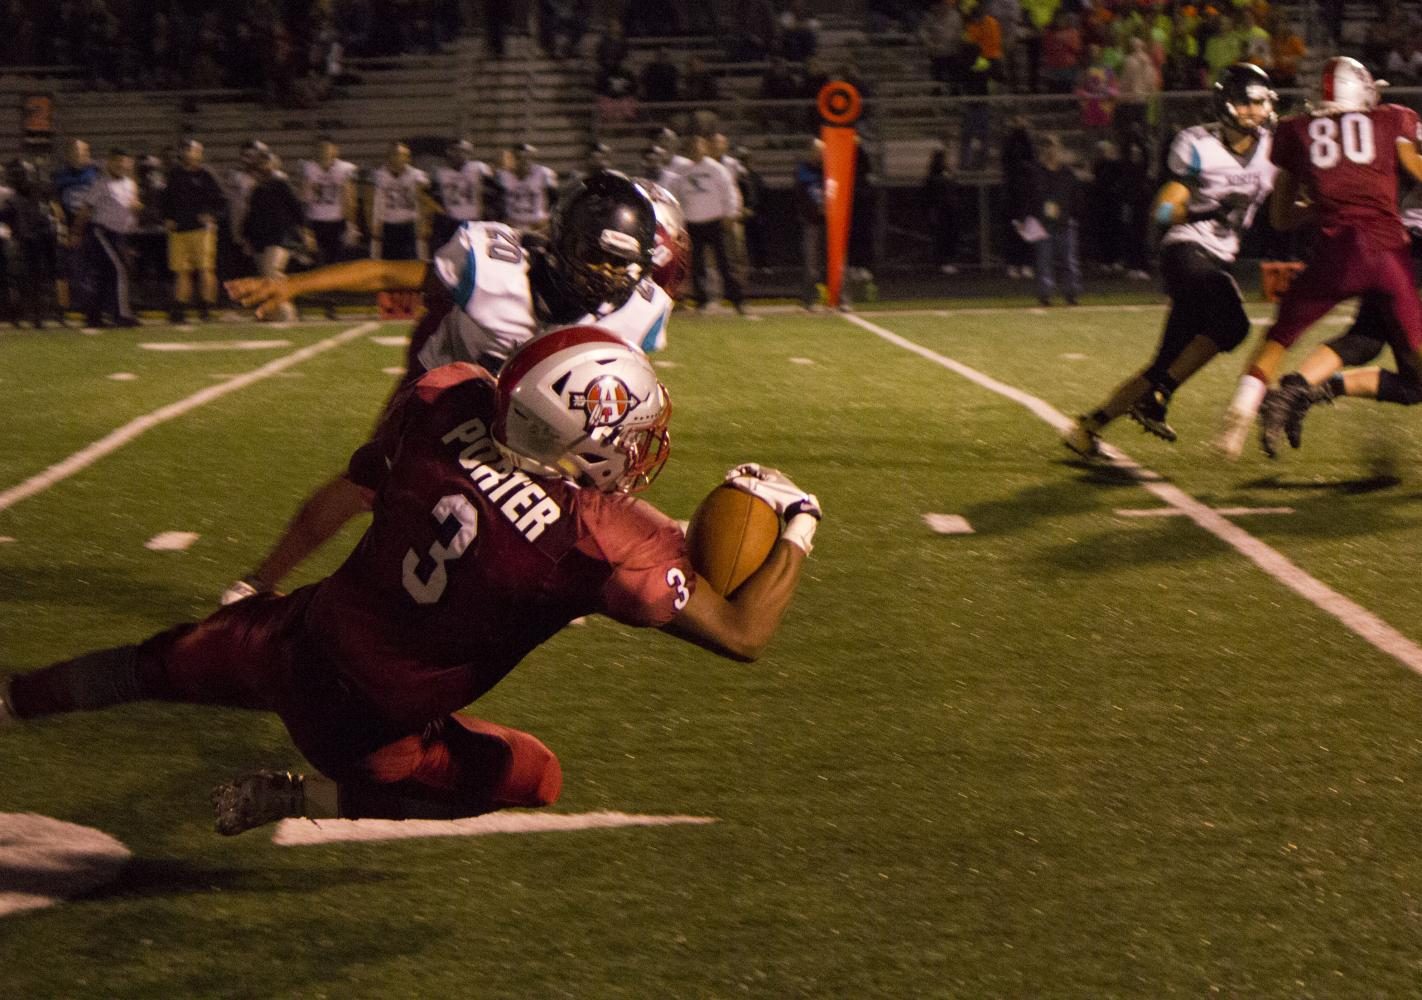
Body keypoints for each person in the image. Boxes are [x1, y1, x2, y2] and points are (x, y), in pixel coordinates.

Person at [0, 326, 823, 836]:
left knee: (146, 667)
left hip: (288, 638)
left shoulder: (447, 402)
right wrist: (799, 523)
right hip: (365, 728)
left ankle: (11, 701)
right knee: (534, 776)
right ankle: (301, 801)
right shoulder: (606, 540)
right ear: (588, 439)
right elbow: (744, 634)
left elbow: (374, 477)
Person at [218, 172, 676, 602]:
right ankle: (258, 583)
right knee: (370, 481)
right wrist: (293, 285)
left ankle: (544, 594)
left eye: (621, 264)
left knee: (557, 505)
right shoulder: (494, 267)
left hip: (538, 417)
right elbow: (390, 276)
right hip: (447, 395)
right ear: (562, 241)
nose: (606, 274)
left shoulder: (643, 309)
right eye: (596, 256)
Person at [1063, 64, 1277, 458]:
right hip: (1186, 251)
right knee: (1234, 324)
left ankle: (1088, 427)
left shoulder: (1273, 149)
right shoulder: (1197, 145)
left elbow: (1287, 204)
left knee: (1165, 361)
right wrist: (1202, 211)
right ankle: (1160, 395)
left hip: (1219, 259)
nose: (1259, 110)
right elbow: (1162, 213)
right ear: (1228, 105)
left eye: (1263, 101)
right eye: (1250, 102)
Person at [1216, 57, 1422, 458]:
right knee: (1404, 364)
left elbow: (1280, 218)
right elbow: (1415, 166)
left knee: (1288, 336)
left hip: (1336, 253)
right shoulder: (1391, 119)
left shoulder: (1297, 131)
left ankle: (1248, 411)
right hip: (1389, 252)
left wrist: (1326, 204)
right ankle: (1301, 391)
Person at [673, 134, 746, 315]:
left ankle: (738, 301)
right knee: (697, 265)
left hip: (715, 222)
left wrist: (731, 214)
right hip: (692, 224)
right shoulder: (683, 171)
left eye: (698, 146)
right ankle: (702, 301)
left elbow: (729, 191)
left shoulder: (715, 169)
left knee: (725, 264)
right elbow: (678, 196)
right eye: (691, 147)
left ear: (705, 147)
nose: (695, 150)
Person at [72, 147, 140, 329]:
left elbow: (132, 207)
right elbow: (85, 209)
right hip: (102, 232)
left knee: (103, 275)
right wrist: (77, 233)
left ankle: (94, 315)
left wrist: (136, 208)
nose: (120, 164)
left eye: (123, 161)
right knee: (120, 270)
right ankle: (122, 315)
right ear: (109, 162)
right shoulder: (102, 183)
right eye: (116, 161)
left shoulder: (130, 183)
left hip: (119, 234)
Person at [161, 139, 226, 324]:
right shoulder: (175, 174)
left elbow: (221, 201)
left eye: (193, 150)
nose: (189, 154)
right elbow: (166, 199)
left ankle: (206, 308)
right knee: (182, 271)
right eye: (186, 150)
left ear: (199, 153)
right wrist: (167, 218)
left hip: (201, 230)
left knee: (205, 269)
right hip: (179, 230)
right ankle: (180, 308)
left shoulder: (206, 175)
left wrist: (211, 215)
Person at [242, 151, 306, 324]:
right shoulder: (257, 189)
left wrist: (306, 231)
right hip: (261, 238)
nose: (263, 166)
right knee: (266, 277)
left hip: (281, 236)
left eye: (266, 161)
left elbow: (297, 209)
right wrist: (246, 236)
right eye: (261, 162)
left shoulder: (281, 184)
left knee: (272, 272)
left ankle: (287, 311)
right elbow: (251, 215)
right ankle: (272, 312)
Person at [1025, 134, 1082, 308]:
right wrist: (1029, 221)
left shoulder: (1067, 173)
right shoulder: (1036, 173)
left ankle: (1071, 294)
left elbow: (1076, 197)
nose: (1051, 151)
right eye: (1047, 148)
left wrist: (1074, 216)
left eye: (1053, 148)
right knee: (1043, 261)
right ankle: (1045, 295)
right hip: (1043, 224)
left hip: (1065, 223)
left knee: (1069, 261)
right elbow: (1030, 199)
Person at [370, 141, 432, 261]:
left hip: (409, 224)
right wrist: (374, 224)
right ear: (388, 156)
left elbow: (424, 196)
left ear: (408, 158)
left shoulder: (416, 175)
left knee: (410, 262)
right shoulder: (379, 174)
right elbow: (373, 201)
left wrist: (424, 223)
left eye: (403, 155)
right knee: (387, 261)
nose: (399, 158)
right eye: (395, 154)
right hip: (387, 224)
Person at [431, 139, 492, 250]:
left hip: (474, 220)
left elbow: (491, 195)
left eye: (463, 151)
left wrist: (486, 216)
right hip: (450, 222)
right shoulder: (440, 173)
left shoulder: (479, 169)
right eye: (455, 151)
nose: (459, 155)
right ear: (449, 152)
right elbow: (434, 199)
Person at [496, 143, 558, 234]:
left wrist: (547, 221)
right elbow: (496, 202)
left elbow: (554, 200)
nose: (523, 161)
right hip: (511, 226)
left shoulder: (544, 174)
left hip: (537, 226)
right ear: (511, 158)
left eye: (527, 158)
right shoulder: (502, 176)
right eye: (518, 158)